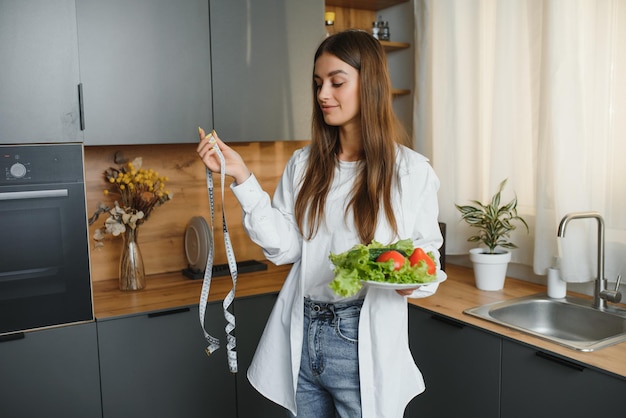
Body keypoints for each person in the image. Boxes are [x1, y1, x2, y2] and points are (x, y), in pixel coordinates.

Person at [197, 29, 442, 418]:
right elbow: (285, 248)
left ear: (371, 85)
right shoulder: (304, 164)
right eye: (317, 83)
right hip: (304, 331)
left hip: (360, 340)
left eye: (336, 82)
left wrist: (415, 278)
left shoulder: (411, 172)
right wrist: (242, 177)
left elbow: (427, 254)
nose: (323, 94)